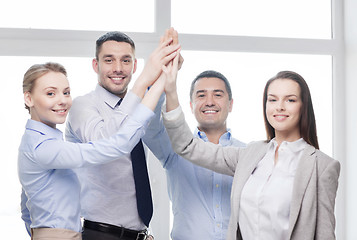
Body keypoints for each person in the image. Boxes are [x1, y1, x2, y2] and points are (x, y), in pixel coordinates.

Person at [162, 69, 340, 240]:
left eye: (290, 100)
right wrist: (170, 90)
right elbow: (188, 146)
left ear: (303, 106)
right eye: (272, 100)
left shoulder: (321, 166)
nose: (279, 107)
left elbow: (324, 235)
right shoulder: (250, 154)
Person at [18, 59, 172, 240]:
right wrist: (154, 82)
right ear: (29, 98)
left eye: (66, 92)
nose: (62, 100)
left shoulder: (38, 141)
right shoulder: (43, 147)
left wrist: (42, 233)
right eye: (51, 93)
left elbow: (26, 207)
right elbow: (118, 145)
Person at [65, 29, 181, 240]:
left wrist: (166, 73)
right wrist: (143, 82)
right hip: (99, 233)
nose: (118, 68)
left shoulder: (140, 105)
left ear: (134, 66)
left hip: (140, 234)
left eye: (126, 61)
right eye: (109, 60)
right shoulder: (82, 106)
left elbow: (158, 137)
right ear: (95, 65)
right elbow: (108, 142)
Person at [144, 70, 245, 239]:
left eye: (217, 95)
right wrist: (164, 80)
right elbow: (150, 124)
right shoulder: (174, 148)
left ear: (231, 104)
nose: (209, 102)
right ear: (191, 105)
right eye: (201, 95)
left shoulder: (246, 154)